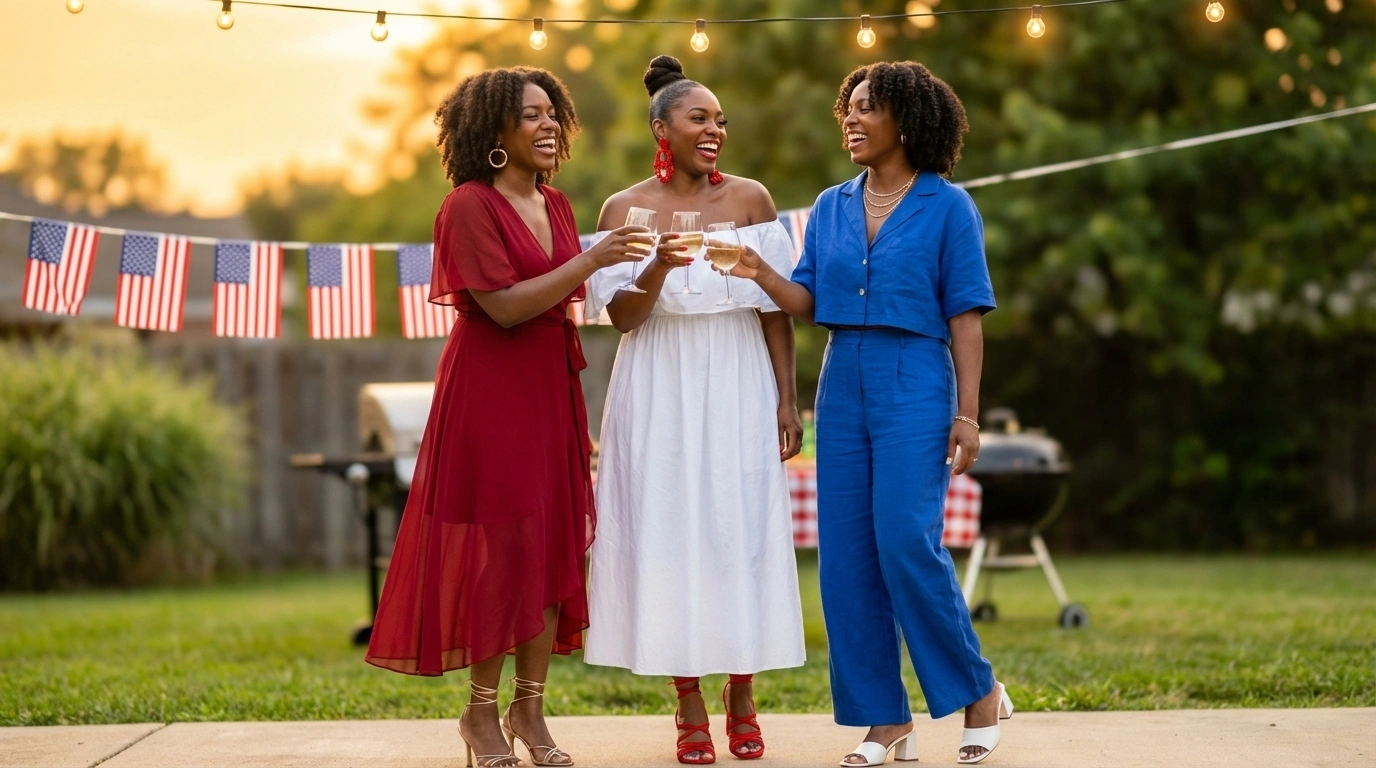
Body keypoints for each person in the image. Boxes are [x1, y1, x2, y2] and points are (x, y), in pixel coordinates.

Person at [723, 61, 1012, 766]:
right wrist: (763, 274)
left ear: (907, 122)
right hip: (842, 378)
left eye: (866, 108)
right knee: (846, 556)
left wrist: (967, 415)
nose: (850, 120)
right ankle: (884, 722)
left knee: (906, 540)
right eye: (846, 109)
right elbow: (809, 300)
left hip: (916, 376)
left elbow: (967, 316)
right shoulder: (828, 206)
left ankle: (979, 692)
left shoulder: (948, 206)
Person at [364, 66, 651, 768]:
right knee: (501, 554)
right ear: (493, 131)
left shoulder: (554, 205)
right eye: (532, 115)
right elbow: (505, 304)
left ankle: (531, 711)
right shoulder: (467, 205)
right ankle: (480, 716)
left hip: (550, 389)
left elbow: (555, 310)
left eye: (554, 113)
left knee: (552, 548)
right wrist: (592, 260)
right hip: (490, 393)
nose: (550, 124)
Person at [582, 55, 807, 765]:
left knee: (735, 528)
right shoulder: (622, 210)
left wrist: (786, 400)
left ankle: (742, 693)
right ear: (662, 126)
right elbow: (621, 318)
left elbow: (777, 308)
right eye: (699, 118)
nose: (715, 131)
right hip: (658, 378)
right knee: (668, 531)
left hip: (737, 374)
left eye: (720, 121)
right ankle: (687, 701)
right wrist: (658, 265)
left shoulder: (751, 201)